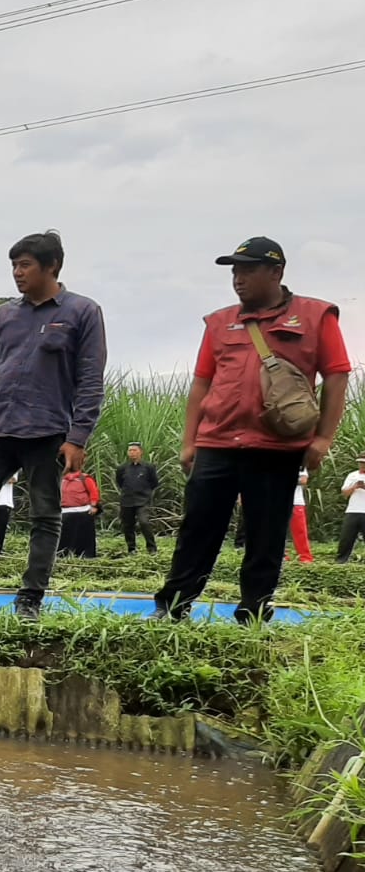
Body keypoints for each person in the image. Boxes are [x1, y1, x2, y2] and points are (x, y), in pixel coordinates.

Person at [154, 237, 350, 623]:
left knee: (266, 534)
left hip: (276, 446)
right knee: (198, 529)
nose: (237, 279)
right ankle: (173, 608)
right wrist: (189, 440)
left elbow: (337, 377)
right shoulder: (219, 321)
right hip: (217, 442)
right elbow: (201, 384)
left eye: (247, 270)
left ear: (276, 272)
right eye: (234, 271)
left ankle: (254, 612)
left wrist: (323, 439)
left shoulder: (315, 316)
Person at [0, 230, 107, 619]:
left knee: (45, 516)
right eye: (14, 265)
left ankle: (30, 599)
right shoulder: (5, 315)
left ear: (52, 266)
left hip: (48, 432)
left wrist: (78, 436)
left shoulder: (82, 311)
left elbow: (90, 379)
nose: (17, 272)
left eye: (25, 265)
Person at [114, 443, 159, 554]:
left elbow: (154, 482)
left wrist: (146, 492)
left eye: (134, 450)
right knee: (128, 525)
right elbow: (120, 482)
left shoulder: (148, 467)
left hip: (142, 500)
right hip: (127, 500)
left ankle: (152, 548)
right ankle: (131, 548)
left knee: (144, 522)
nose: (132, 453)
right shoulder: (122, 468)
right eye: (130, 450)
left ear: (141, 452)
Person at [57, 468, 101, 557]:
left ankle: (86, 556)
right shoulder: (61, 479)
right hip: (65, 512)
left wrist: (93, 506)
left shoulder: (84, 478)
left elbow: (94, 492)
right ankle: (63, 555)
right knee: (65, 537)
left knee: (85, 537)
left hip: (83, 512)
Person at [338, 454, 365, 563]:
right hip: (353, 510)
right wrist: (355, 486)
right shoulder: (352, 475)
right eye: (361, 462)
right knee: (346, 537)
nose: (362, 465)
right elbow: (344, 493)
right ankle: (341, 561)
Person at [289, 469, 314, 564]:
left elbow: (304, 480)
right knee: (278, 531)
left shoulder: (301, 464)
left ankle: (305, 557)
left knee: (300, 530)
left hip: (296, 501)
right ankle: (282, 555)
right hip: (278, 501)